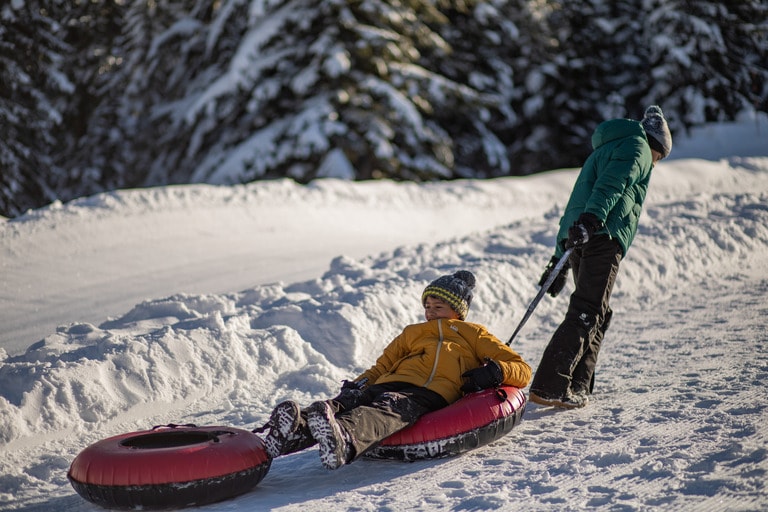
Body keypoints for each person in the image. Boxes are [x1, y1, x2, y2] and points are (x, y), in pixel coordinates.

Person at [255, 270, 532, 469]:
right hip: (391, 380)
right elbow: (382, 365)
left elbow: (521, 369)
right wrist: (360, 384)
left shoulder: (473, 333)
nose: (431, 312)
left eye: (439, 306)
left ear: (458, 310)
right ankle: (295, 430)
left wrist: (495, 372)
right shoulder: (411, 332)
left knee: (390, 406)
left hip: (429, 391)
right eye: (427, 306)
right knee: (350, 400)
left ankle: (345, 439)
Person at [529, 105, 673, 409]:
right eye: (659, 158)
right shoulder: (638, 147)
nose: (654, 164)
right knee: (588, 310)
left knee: (598, 312)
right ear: (656, 146)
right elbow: (613, 185)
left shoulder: (605, 150)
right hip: (602, 236)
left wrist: (559, 260)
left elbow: (573, 208)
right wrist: (593, 220)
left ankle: (577, 384)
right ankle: (550, 385)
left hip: (585, 235)